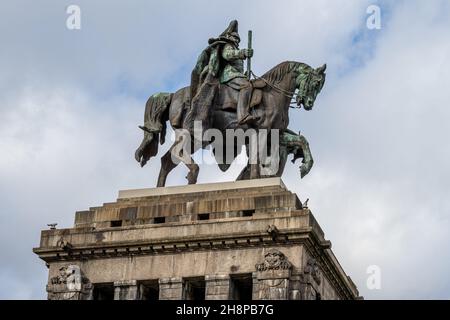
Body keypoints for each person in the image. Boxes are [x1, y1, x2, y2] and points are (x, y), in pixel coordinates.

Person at [188, 20, 255, 132]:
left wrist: (244, 74)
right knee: (246, 86)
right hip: (228, 75)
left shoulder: (234, 47)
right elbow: (227, 55)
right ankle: (243, 115)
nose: (237, 41)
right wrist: (242, 53)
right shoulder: (228, 45)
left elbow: (237, 67)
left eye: (238, 39)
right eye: (235, 38)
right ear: (229, 37)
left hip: (234, 74)